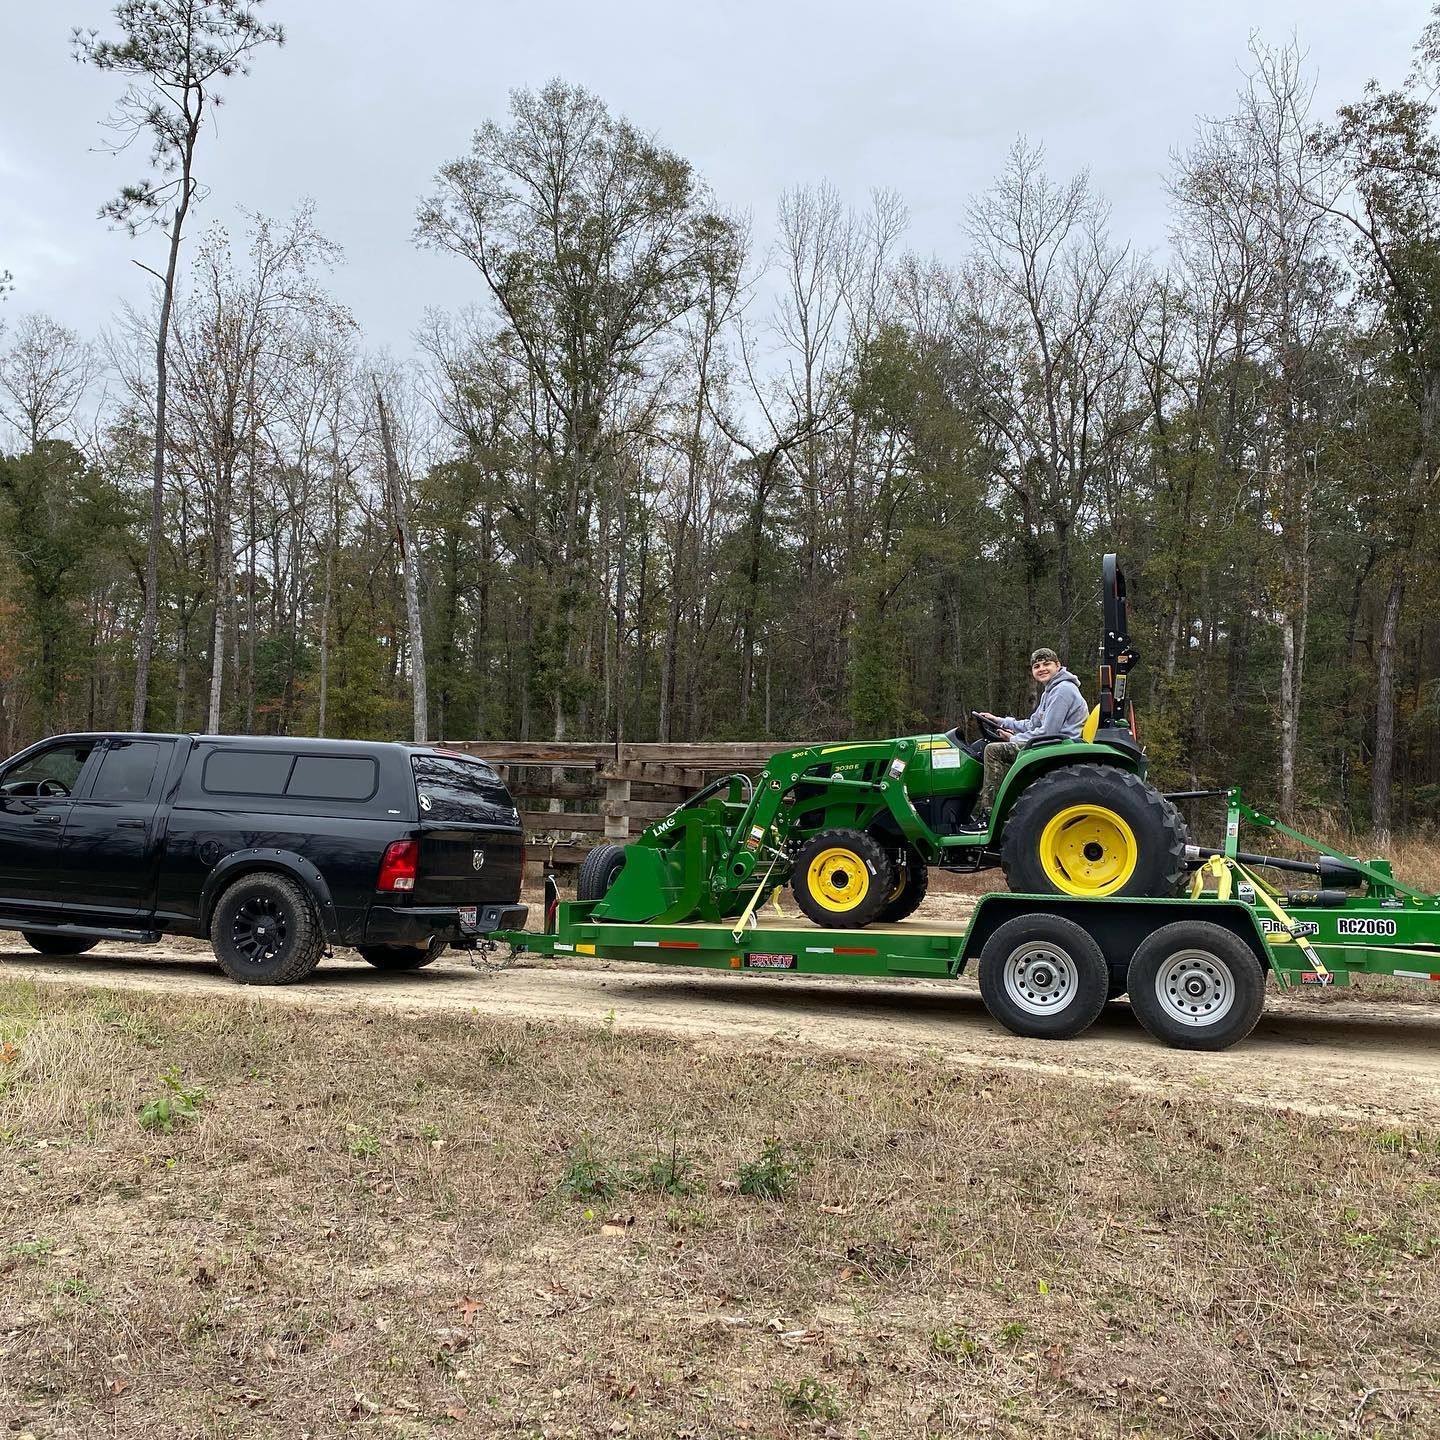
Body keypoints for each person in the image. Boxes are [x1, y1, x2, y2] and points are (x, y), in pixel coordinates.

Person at [962, 648, 1088, 832]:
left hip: (1056, 744)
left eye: (1047, 664)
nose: (1042, 669)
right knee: (986, 746)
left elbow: (1048, 731)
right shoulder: (1050, 691)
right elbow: (1033, 724)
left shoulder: (1063, 691)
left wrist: (1013, 738)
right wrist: (999, 721)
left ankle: (987, 817)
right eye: (1037, 666)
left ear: (1058, 665)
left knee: (993, 751)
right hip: (1052, 741)